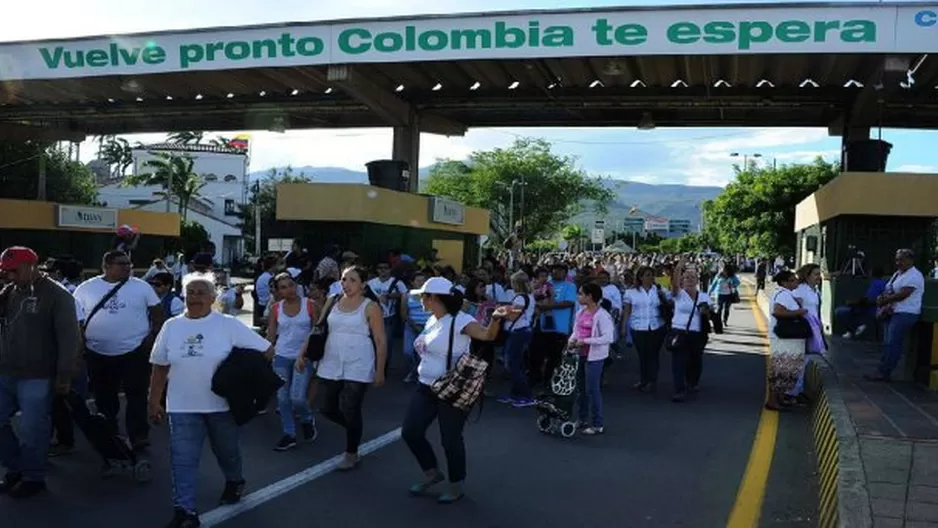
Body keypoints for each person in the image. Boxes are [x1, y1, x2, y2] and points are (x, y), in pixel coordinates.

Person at [149, 275, 272, 528]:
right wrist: (153, 401)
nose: (194, 297)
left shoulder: (227, 324)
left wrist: (241, 378)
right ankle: (185, 511)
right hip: (182, 406)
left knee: (227, 452)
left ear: (212, 298)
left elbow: (266, 350)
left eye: (200, 293)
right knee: (182, 459)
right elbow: (160, 367)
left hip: (221, 406)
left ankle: (234, 480)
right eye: (190, 292)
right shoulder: (172, 326)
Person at [401, 277, 509, 504]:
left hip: (452, 388)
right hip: (426, 385)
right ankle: (432, 473)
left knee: (450, 439)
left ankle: (456, 483)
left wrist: (497, 318)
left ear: (435, 298)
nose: (420, 299)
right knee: (411, 432)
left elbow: (487, 335)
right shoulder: (432, 319)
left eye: (424, 295)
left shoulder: (461, 320)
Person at [0, 246, 81, 498]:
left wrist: (64, 375)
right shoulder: (9, 292)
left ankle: (33, 477)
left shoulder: (58, 296)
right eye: (5, 272)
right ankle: (18, 466)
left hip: (38, 374)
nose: (8, 276)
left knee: (32, 427)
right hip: (6, 370)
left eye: (13, 271)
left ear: (31, 266)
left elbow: (70, 339)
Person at [73, 250, 163, 451]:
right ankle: (109, 433)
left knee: (136, 395)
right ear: (106, 266)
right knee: (104, 396)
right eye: (121, 264)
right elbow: (76, 320)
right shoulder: (85, 288)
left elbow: (157, 315)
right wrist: (79, 349)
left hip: (134, 352)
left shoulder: (142, 287)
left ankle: (139, 435)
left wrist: (149, 341)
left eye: (129, 263)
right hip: (98, 353)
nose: (127, 267)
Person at [301, 266, 386, 471]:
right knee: (327, 408)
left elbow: (380, 340)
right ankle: (354, 429)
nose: (346, 284)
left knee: (351, 406)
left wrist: (380, 369)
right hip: (331, 359)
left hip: (359, 361)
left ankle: (351, 453)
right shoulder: (333, 300)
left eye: (352, 280)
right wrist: (302, 354)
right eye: (344, 279)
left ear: (363, 285)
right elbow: (318, 328)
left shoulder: (370, 307)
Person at [266, 273, 318, 451]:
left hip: (302, 357)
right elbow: (271, 334)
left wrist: (310, 355)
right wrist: (266, 350)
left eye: (291, 285)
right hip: (281, 355)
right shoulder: (276, 308)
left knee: (297, 397)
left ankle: (307, 419)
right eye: (283, 287)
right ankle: (289, 433)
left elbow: (317, 331)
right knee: (282, 397)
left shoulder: (310, 305)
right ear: (278, 291)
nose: (289, 290)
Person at [866, 249, 926, 382]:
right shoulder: (898, 274)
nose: (898, 263)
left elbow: (904, 294)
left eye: (902, 260)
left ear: (910, 260)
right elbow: (890, 289)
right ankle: (882, 369)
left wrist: (886, 300)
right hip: (892, 311)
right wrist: (882, 298)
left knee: (893, 343)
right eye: (897, 259)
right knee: (887, 343)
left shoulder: (915, 276)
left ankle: (885, 371)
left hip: (905, 313)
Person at [570, 282, 615, 435]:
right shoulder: (580, 312)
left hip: (594, 357)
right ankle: (582, 418)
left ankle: (597, 423)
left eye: (581, 293)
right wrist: (572, 340)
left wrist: (586, 341)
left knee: (592, 389)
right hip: (580, 354)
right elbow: (576, 330)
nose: (578, 296)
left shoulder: (602, 315)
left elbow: (608, 337)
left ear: (590, 296)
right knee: (580, 388)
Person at [669, 260, 712, 403]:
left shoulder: (704, 296)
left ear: (697, 281)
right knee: (678, 361)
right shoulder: (678, 294)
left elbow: (710, 314)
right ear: (682, 280)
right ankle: (679, 389)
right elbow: (674, 284)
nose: (689, 280)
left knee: (695, 360)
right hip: (679, 331)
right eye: (686, 277)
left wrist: (706, 311)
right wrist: (679, 267)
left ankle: (692, 381)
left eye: (692, 277)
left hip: (697, 333)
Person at [622, 266, 669, 393]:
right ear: (640, 277)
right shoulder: (631, 292)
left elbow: (670, 301)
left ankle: (652, 380)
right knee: (643, 355)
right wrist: (624, 327)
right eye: (647, 275)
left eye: (651, 275)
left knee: (653, 354)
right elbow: (627, 311)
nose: (650, 278)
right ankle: (644, 379)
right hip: (638, 327)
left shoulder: (659, 290)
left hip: (656, 326)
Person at [766, 270, 808, 410]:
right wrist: (798, 312)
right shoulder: (783, 295)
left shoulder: (787, 295)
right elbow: (777, 311)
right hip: (783, 338)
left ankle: (780, 397)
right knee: (781, 368)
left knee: (787, 368)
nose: (796, 282)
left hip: (788, 338)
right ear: (785, 282)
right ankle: (773, 400)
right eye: (792, 280)